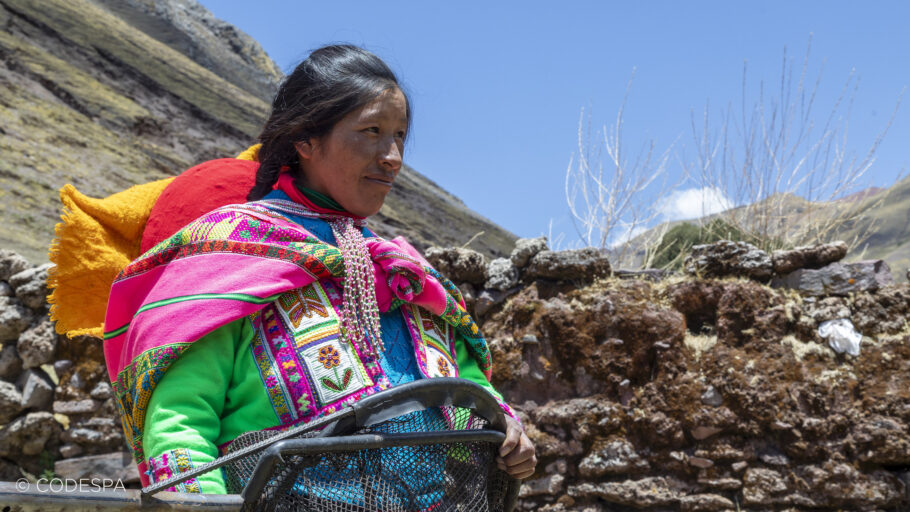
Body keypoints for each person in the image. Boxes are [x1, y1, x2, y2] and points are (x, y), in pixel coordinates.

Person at [100, 44, 536, 494]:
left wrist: (504, 429)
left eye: (400, 135)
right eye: (372, 130)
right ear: (306, 139)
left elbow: (464, 387)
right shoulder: (230, 257)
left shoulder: (399, 271)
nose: (393, 157)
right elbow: (181, 420)